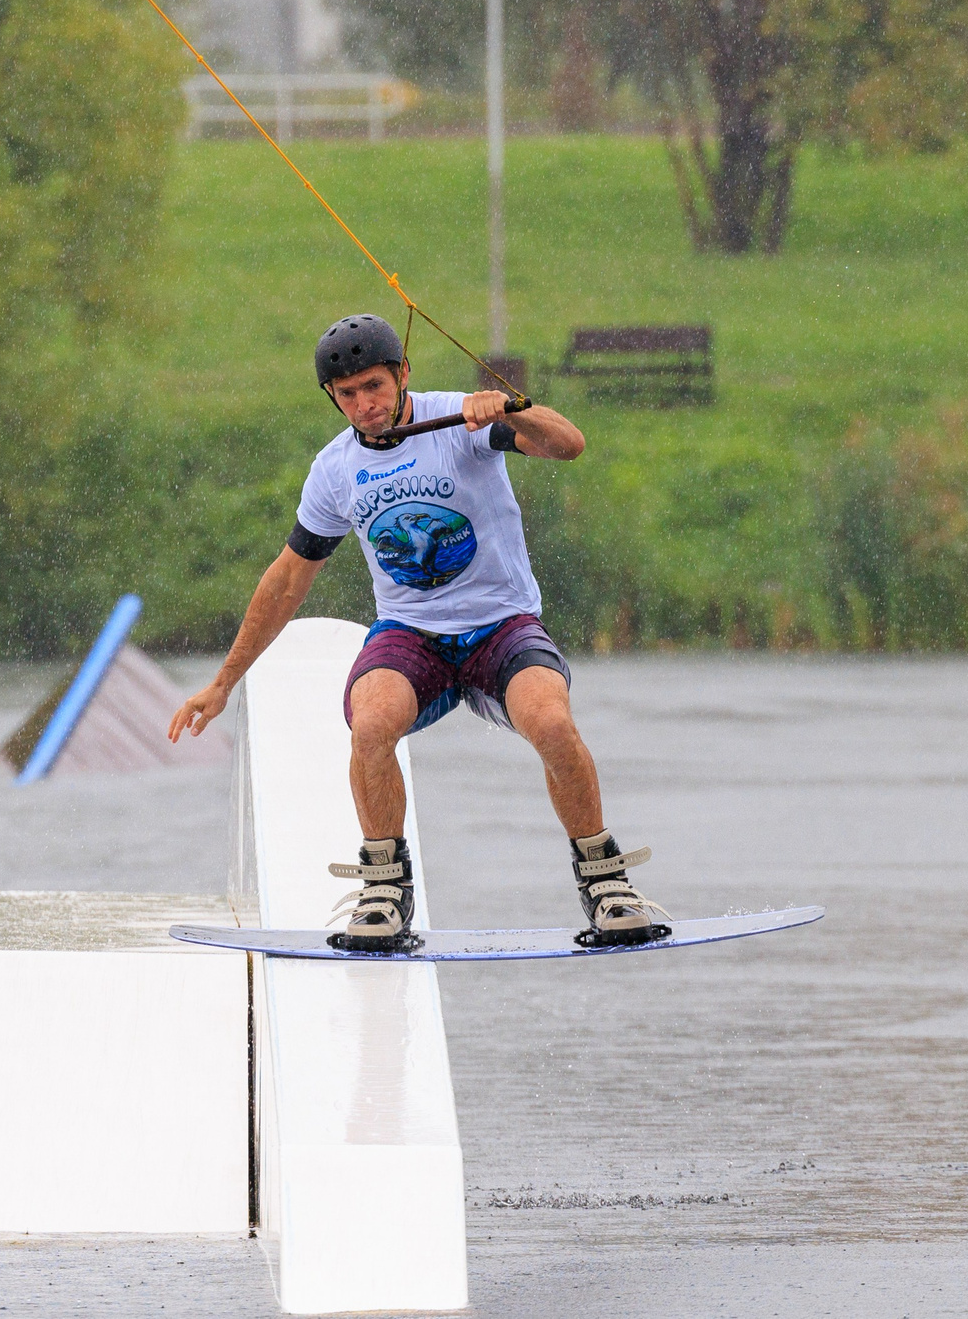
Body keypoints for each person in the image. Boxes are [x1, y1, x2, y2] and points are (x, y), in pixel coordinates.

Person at [165, 313, 665, 952]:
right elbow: (288, 579)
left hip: (499, 624)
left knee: (550, 719)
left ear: (403, 374)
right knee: (371, 724)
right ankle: (385, 892)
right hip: (411, 634)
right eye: (347, 395)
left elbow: (569, 445)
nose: (365, 406)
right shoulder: (336, 469)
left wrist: (514, 410)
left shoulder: (461, 422)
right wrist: (222, 683)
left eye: (374, 386)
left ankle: (605, 882)